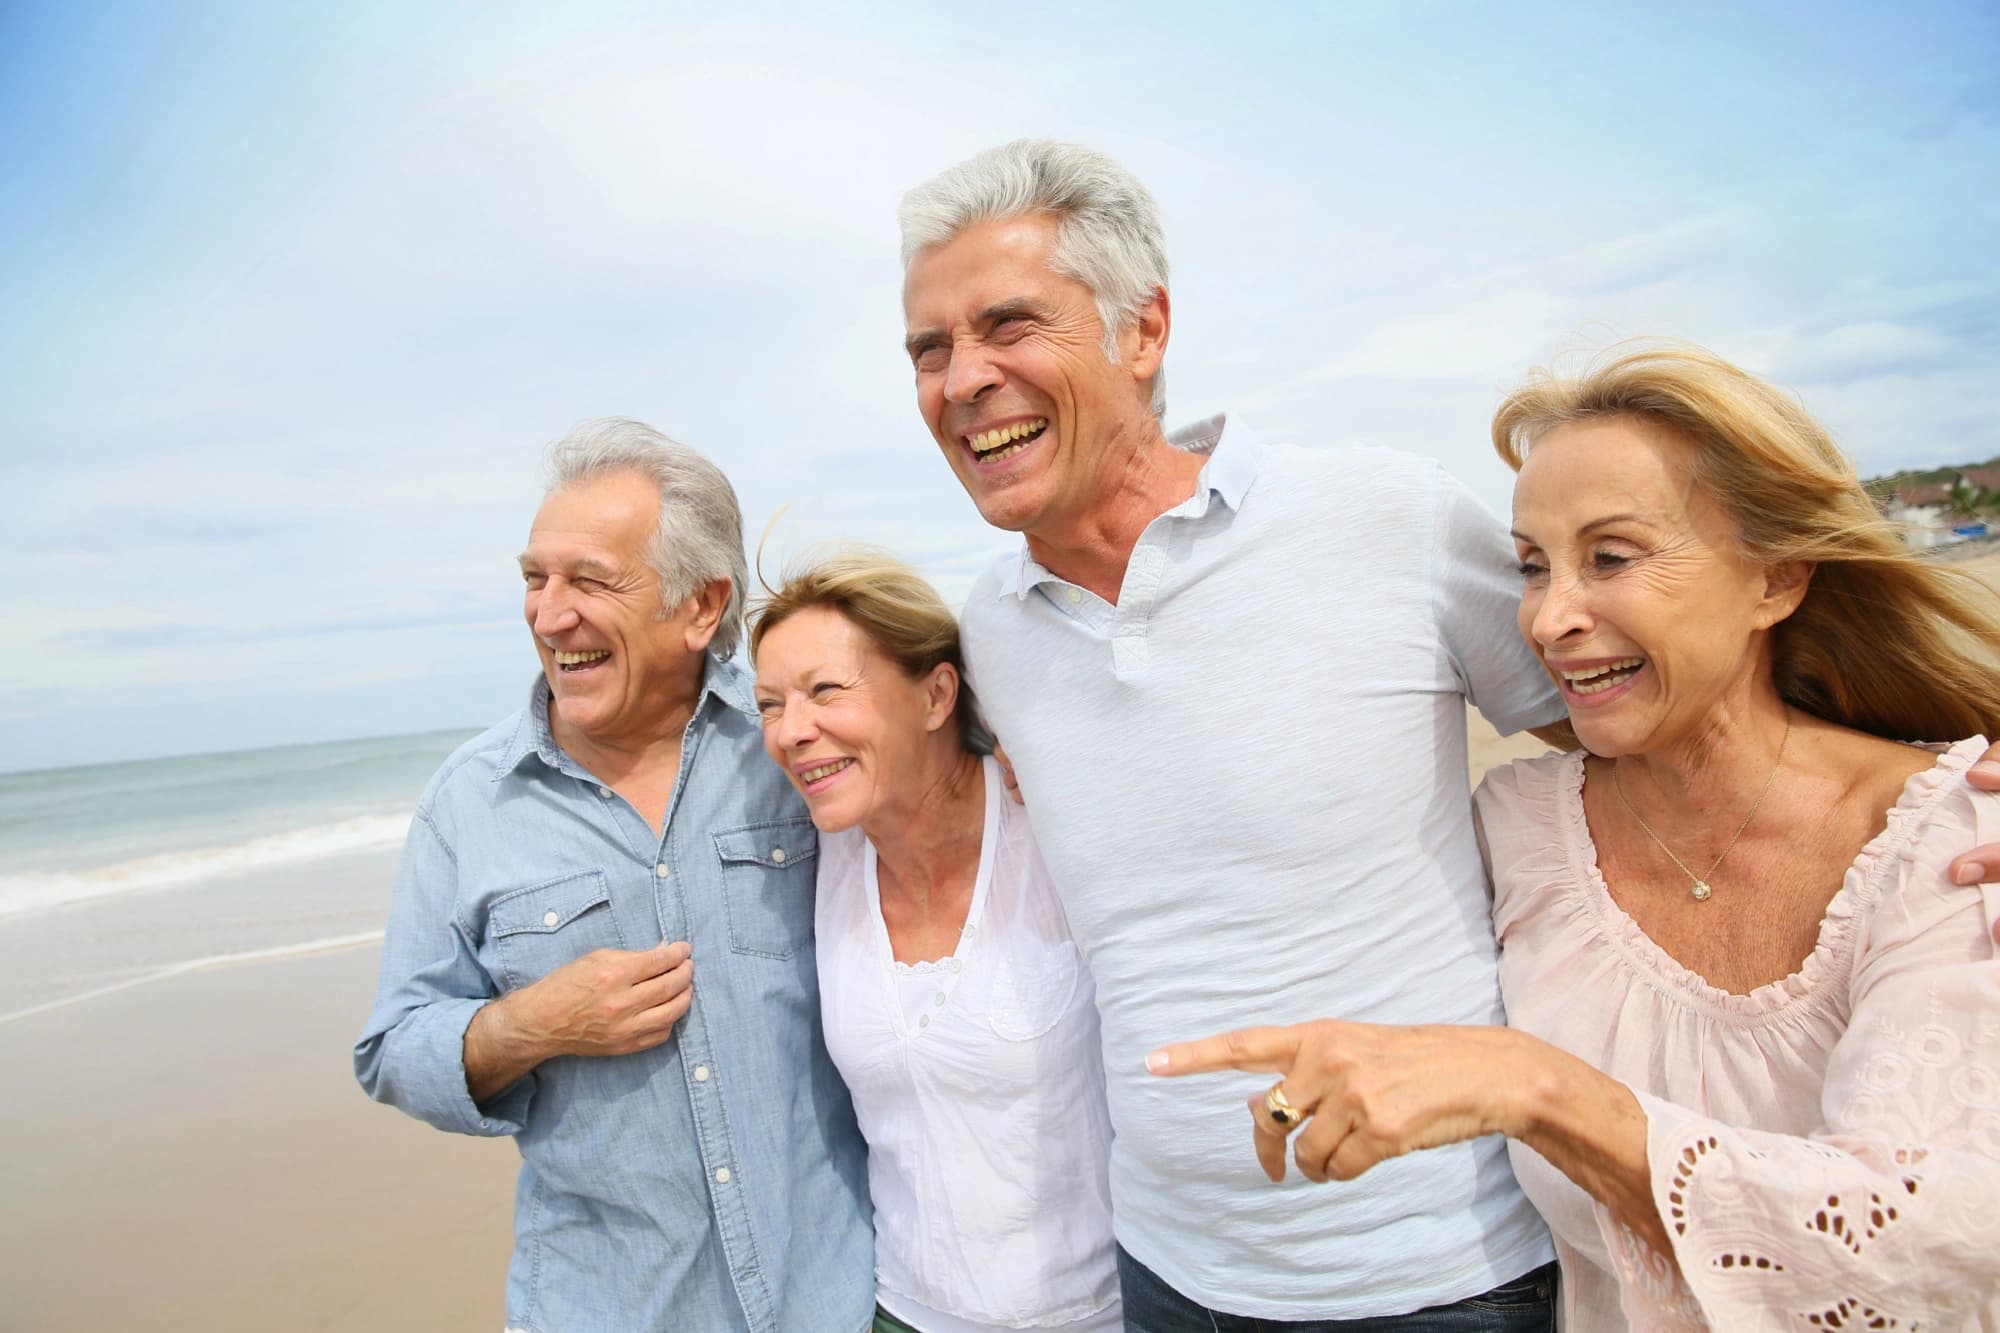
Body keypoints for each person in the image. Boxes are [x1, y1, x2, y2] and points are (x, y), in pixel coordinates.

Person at [1148, 344, 2000, 1330]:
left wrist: (1534, 1088)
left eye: (1611, 556)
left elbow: (1917, 1253)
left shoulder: (1951, 843)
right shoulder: (1520, 829)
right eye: (1529, 566)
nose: (1548, 618)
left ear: (1777, 578)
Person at [899, 138, 1566, 1328]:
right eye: (930, 349)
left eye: (1008, 325)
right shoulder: (987, 635)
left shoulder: (1379, 511)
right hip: (1161, 1271)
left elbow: (1641, 733)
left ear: (1141, 331)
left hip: (1437, 1271)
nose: (962, 380)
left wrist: (1935, 795)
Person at [353, 420, 872, 1333]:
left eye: (590, 581)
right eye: (534, 579)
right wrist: (528, 1025)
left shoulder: (796, 750)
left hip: (835, 1296)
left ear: (701, 607)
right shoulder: (467, 804)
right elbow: (392, 1049)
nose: (549, 615)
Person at [749, 549, 1120, 1333]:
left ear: (936, 694)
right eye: (771, 704)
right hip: (903, 1313)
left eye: (824, 690)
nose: (791, 731)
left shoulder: (1055, 831)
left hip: (1105, 1312)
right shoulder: (818, 861)